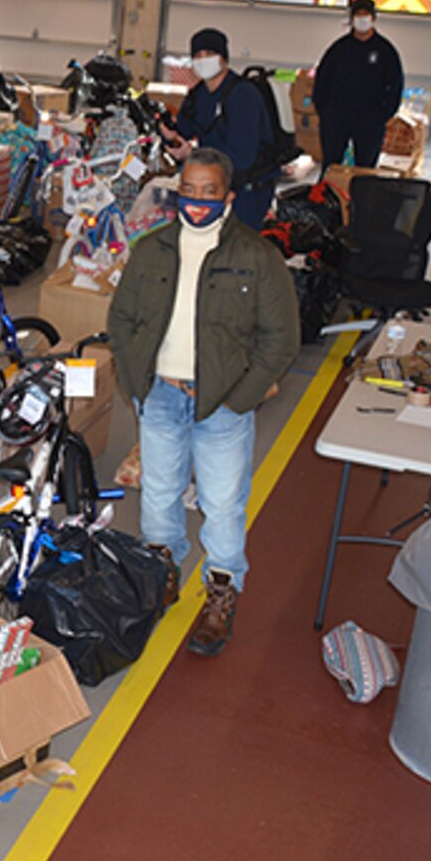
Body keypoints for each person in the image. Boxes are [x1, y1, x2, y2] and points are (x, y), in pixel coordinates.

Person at [106, 148, 299, 656]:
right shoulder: (151, 250)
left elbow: (281, 340)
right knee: (160, 494)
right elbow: (121, 321)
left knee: (222, 502)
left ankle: (221, 592)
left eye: (208, 191)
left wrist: (240, 398)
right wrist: (137, 383)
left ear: (228, 196)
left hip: (223, 405)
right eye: (188, 190)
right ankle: (161, 572)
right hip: (161, 396)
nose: (196, 200)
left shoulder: (258, 257)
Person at [160, 28, 276, 229]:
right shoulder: (198, 94)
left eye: (210, 54)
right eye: (198, 55)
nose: (203, 60)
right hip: (214, 180)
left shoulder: (243, 95)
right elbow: (184, 130)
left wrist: (194, 155)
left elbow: (242, 158)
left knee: (234, 250)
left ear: (224, 58)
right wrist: (170, 138)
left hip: (247, 188)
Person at [312, 0, 404, 173]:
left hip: (370, 118)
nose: (362, 20)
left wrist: (384, 114)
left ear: (373, 19)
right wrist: (324, 111)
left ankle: (361, 200)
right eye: (358, 16)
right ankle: (328, 198)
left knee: (366, 168)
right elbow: (322, 79)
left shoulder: (385, 51)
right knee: (331, 166)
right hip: (337, 116)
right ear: (352, 19)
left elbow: (395, 84)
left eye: (366, 16)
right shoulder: (339, 49)